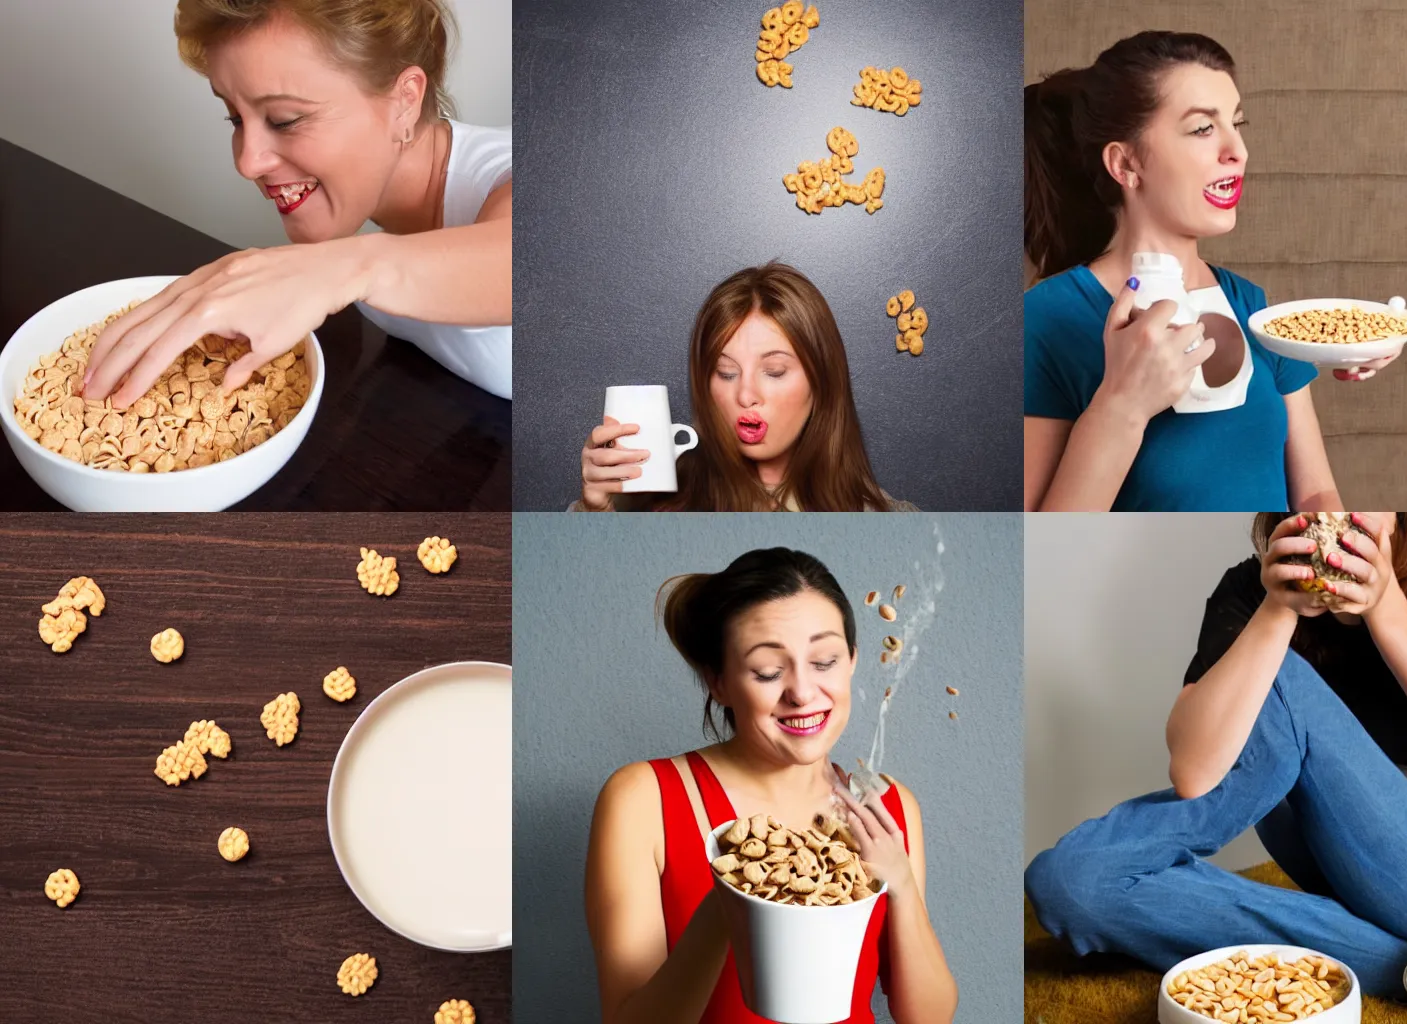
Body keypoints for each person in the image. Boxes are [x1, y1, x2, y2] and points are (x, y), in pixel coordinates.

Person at [1026, 513, 1407, 996]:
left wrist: (1385, 608)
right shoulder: (1253, 594)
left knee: (1280, 680)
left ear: (1401, 513)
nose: (1341, 511)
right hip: (1334, 868)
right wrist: (1277, 612)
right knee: (1074, 886)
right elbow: (1197, 773)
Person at [1023, 31, 1397, 511]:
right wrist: (1122, 406)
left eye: (1237, 124)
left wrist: (1351, 345)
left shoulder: (1252, 305)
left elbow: (1315, 492)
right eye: (1203, 129)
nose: (1237, 151)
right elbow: (1036, 550)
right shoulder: (1045, 321)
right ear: (1125, 162)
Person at [585, 548, 957, 1022]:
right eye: (767, 671)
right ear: (717, 681)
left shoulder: (889, 805)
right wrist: (730, 904)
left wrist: (899, 880)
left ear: (853, 662)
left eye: (824, 661)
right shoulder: (643, 798)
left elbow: (927, 1018)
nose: (802, 692)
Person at [81, 0, 511, 406]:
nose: (248, 163)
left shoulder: (522, 174)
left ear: (404, 102)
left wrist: (343, 269)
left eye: (285, 119)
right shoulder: (361, 209)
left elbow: (528, 264)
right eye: (234, 117)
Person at [575, 263, 916, 511]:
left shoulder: (890, 523)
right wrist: (596, 514)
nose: (746, 395)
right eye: (726, 372)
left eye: (775, 371)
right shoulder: (658, 512)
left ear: (821, 381)